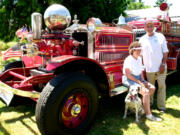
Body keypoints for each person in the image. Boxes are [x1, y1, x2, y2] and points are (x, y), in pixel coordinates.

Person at [122, 41, 162, 121]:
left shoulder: (139, 59)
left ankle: (141, 107)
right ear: (132, 51)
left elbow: (140, 71)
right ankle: (148, 115)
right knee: (145, 92)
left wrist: (143, 80)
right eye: (137, 50)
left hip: (137, 79)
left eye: (140, 50)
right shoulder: (128, 60)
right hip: (129, 79)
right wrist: (139, 82)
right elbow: (128, 75)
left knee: (152, 88)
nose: (139, 52)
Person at [139, 20, 169, 113]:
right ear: (144, 28)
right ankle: (149, 104)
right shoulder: (142, 39)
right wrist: (141, 67)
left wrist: (163, 64)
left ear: (154, 27)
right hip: (149, 69)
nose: (149, 28)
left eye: (151, 26)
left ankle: (161, 107)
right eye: (147, 26)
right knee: (149, 87)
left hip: (161, 67)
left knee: (161, 86)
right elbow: (140, 55)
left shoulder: (160, 37)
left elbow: (165, 52)